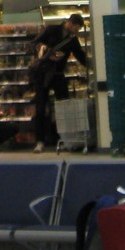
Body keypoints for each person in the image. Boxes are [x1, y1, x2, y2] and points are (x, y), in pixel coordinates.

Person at [29, 13, 87, 149]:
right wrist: (45, 50)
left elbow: (80, 55)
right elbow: (34, 43)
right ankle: (40, 141)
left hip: (58, 74)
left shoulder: (72, 39)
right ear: (71, 24)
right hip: (42, 74)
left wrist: (94, 66)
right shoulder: (51, 30)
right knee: (41, 107)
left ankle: (64, 138)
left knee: (65, 105)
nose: (77, 32)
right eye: (77, 29)